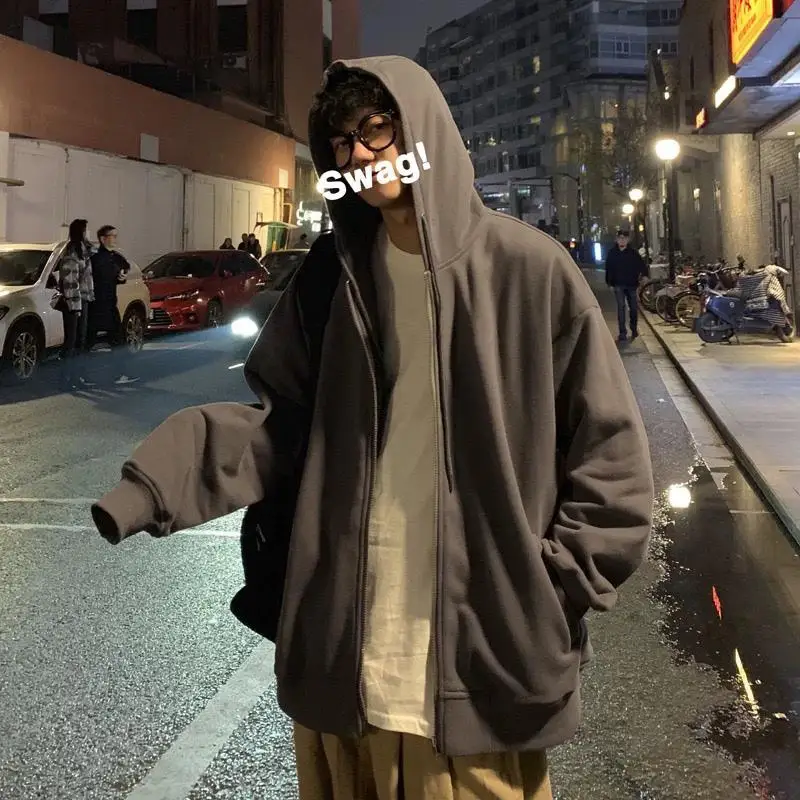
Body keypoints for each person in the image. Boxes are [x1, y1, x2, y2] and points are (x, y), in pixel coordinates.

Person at [91, 57, 653, 800]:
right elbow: (279, 427)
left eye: (376, 130)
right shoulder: (332, 276)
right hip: (344, 652)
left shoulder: (527, 269)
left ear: (420, 132)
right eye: (341, 142)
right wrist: (154, 484)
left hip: (477, 665)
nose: (358, 154)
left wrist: (545, 592)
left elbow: (610, 456)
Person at [58, 218, 92, 387]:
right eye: (86, 230)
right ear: (81, 232)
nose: (88, 233)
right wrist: (75, 306)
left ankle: (76, 377)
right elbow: (70, 282)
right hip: (74, 303)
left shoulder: (83, 251)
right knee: (71, 341)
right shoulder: (72, 253)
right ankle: (66, 378)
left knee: (80, 341)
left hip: (83, 301)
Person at [86, 225, 129, 351]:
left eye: (116, 236)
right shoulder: (95, 258)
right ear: (103, 239)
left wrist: (121, 277)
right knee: (89, 337)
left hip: (110, 302)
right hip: (96, 303)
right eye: (112, 236)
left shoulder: (116, 257)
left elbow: (124, 268)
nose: (115, 239)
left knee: (116, 337)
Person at [605, 228, 648, 342]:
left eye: (624, 238)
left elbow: (641, 265)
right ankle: (622, 332)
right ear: (616, 239)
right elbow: (608, 268)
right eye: (620, 238)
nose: (622, 240)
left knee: (633, 308)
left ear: (628, 240)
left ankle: (633, 328)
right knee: (621, 308)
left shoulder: (633, 253)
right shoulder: (612, 253)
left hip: (631, 284)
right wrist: (609, 282)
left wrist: (644, 275)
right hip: (618, 284)